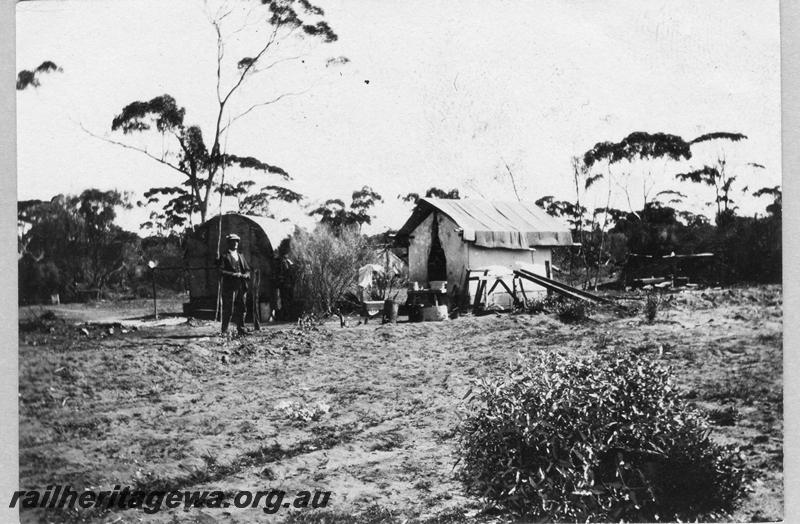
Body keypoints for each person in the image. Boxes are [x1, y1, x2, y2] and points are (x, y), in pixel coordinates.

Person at [218, 233, 251, 336]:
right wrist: (233, 274)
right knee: (229, 308)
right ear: (229, 243)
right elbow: (220, 271)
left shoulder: (241, 256)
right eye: (233, 241)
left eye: (237, 241)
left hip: (241, 285)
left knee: (242, 307)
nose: (235, 243)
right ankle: (224, 330)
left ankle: (241, 329)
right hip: (230, 287)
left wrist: (246, 275)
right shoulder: (224, 256)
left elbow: (247, 270)